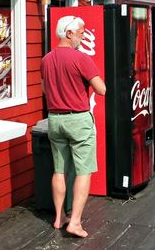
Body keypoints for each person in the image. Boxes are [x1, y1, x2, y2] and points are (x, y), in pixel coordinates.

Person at [40, 15, 106, 238]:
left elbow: (45, 89)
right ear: (68, 34)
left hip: (55, 119)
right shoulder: (81, 58)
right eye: (80, 33)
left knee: (59, 170)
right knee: (83, 171)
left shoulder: (46, 59)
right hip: (77, 119)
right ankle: (75, 222)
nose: (83, 37)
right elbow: (101, 89)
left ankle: (59, 218)